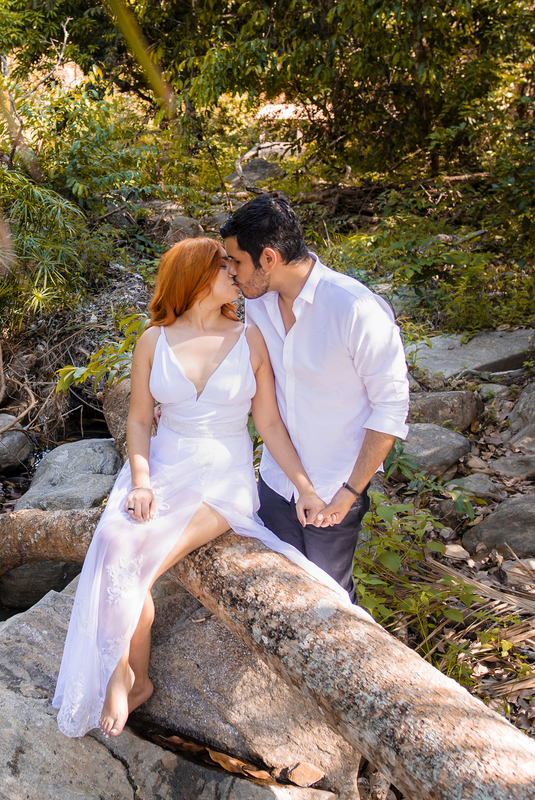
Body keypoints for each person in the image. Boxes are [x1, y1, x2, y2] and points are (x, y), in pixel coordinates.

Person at [52, 237, 357, 740]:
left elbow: (271, 426)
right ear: (196, 278)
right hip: (162, 466)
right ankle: (130, 676)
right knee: (113, 543)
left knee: (137, 563)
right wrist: (142, 480)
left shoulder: (249, 338)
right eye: (224, 268)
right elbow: (139, 421)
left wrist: (303, 485)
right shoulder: (153, 339)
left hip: (222, 475)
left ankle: (126, 676)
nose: (235, 275)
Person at [221, 196, 410, 603]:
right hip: (276, 481)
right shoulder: (259, 307)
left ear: (268, 258)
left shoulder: (356, 310)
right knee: (279, 594)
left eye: (236, 261)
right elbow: (257, 387)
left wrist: (349, 492)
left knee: (332, 602)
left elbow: (391, 409)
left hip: (332, 490)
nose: (231, 273)